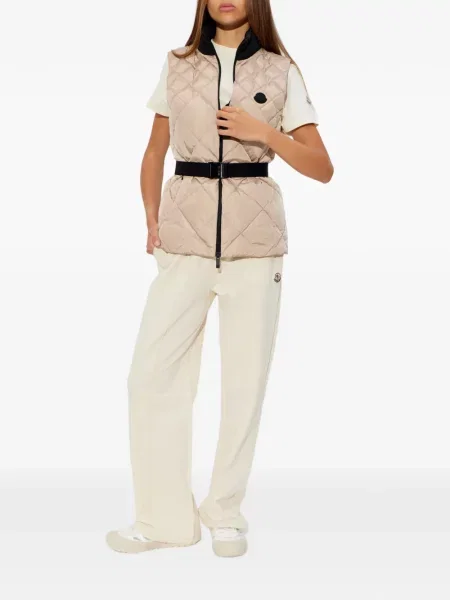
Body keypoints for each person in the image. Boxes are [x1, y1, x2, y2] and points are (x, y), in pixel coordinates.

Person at [106, 0, 333, 558]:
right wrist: (151, 217)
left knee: (244, 383)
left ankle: (225, 512)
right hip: (183, 240)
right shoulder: (178, 63)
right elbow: (155, 151)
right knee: (150, 376)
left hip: (255, 248)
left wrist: (265, 133)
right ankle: (164, 520)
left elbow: (322, 167)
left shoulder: (281, 69)